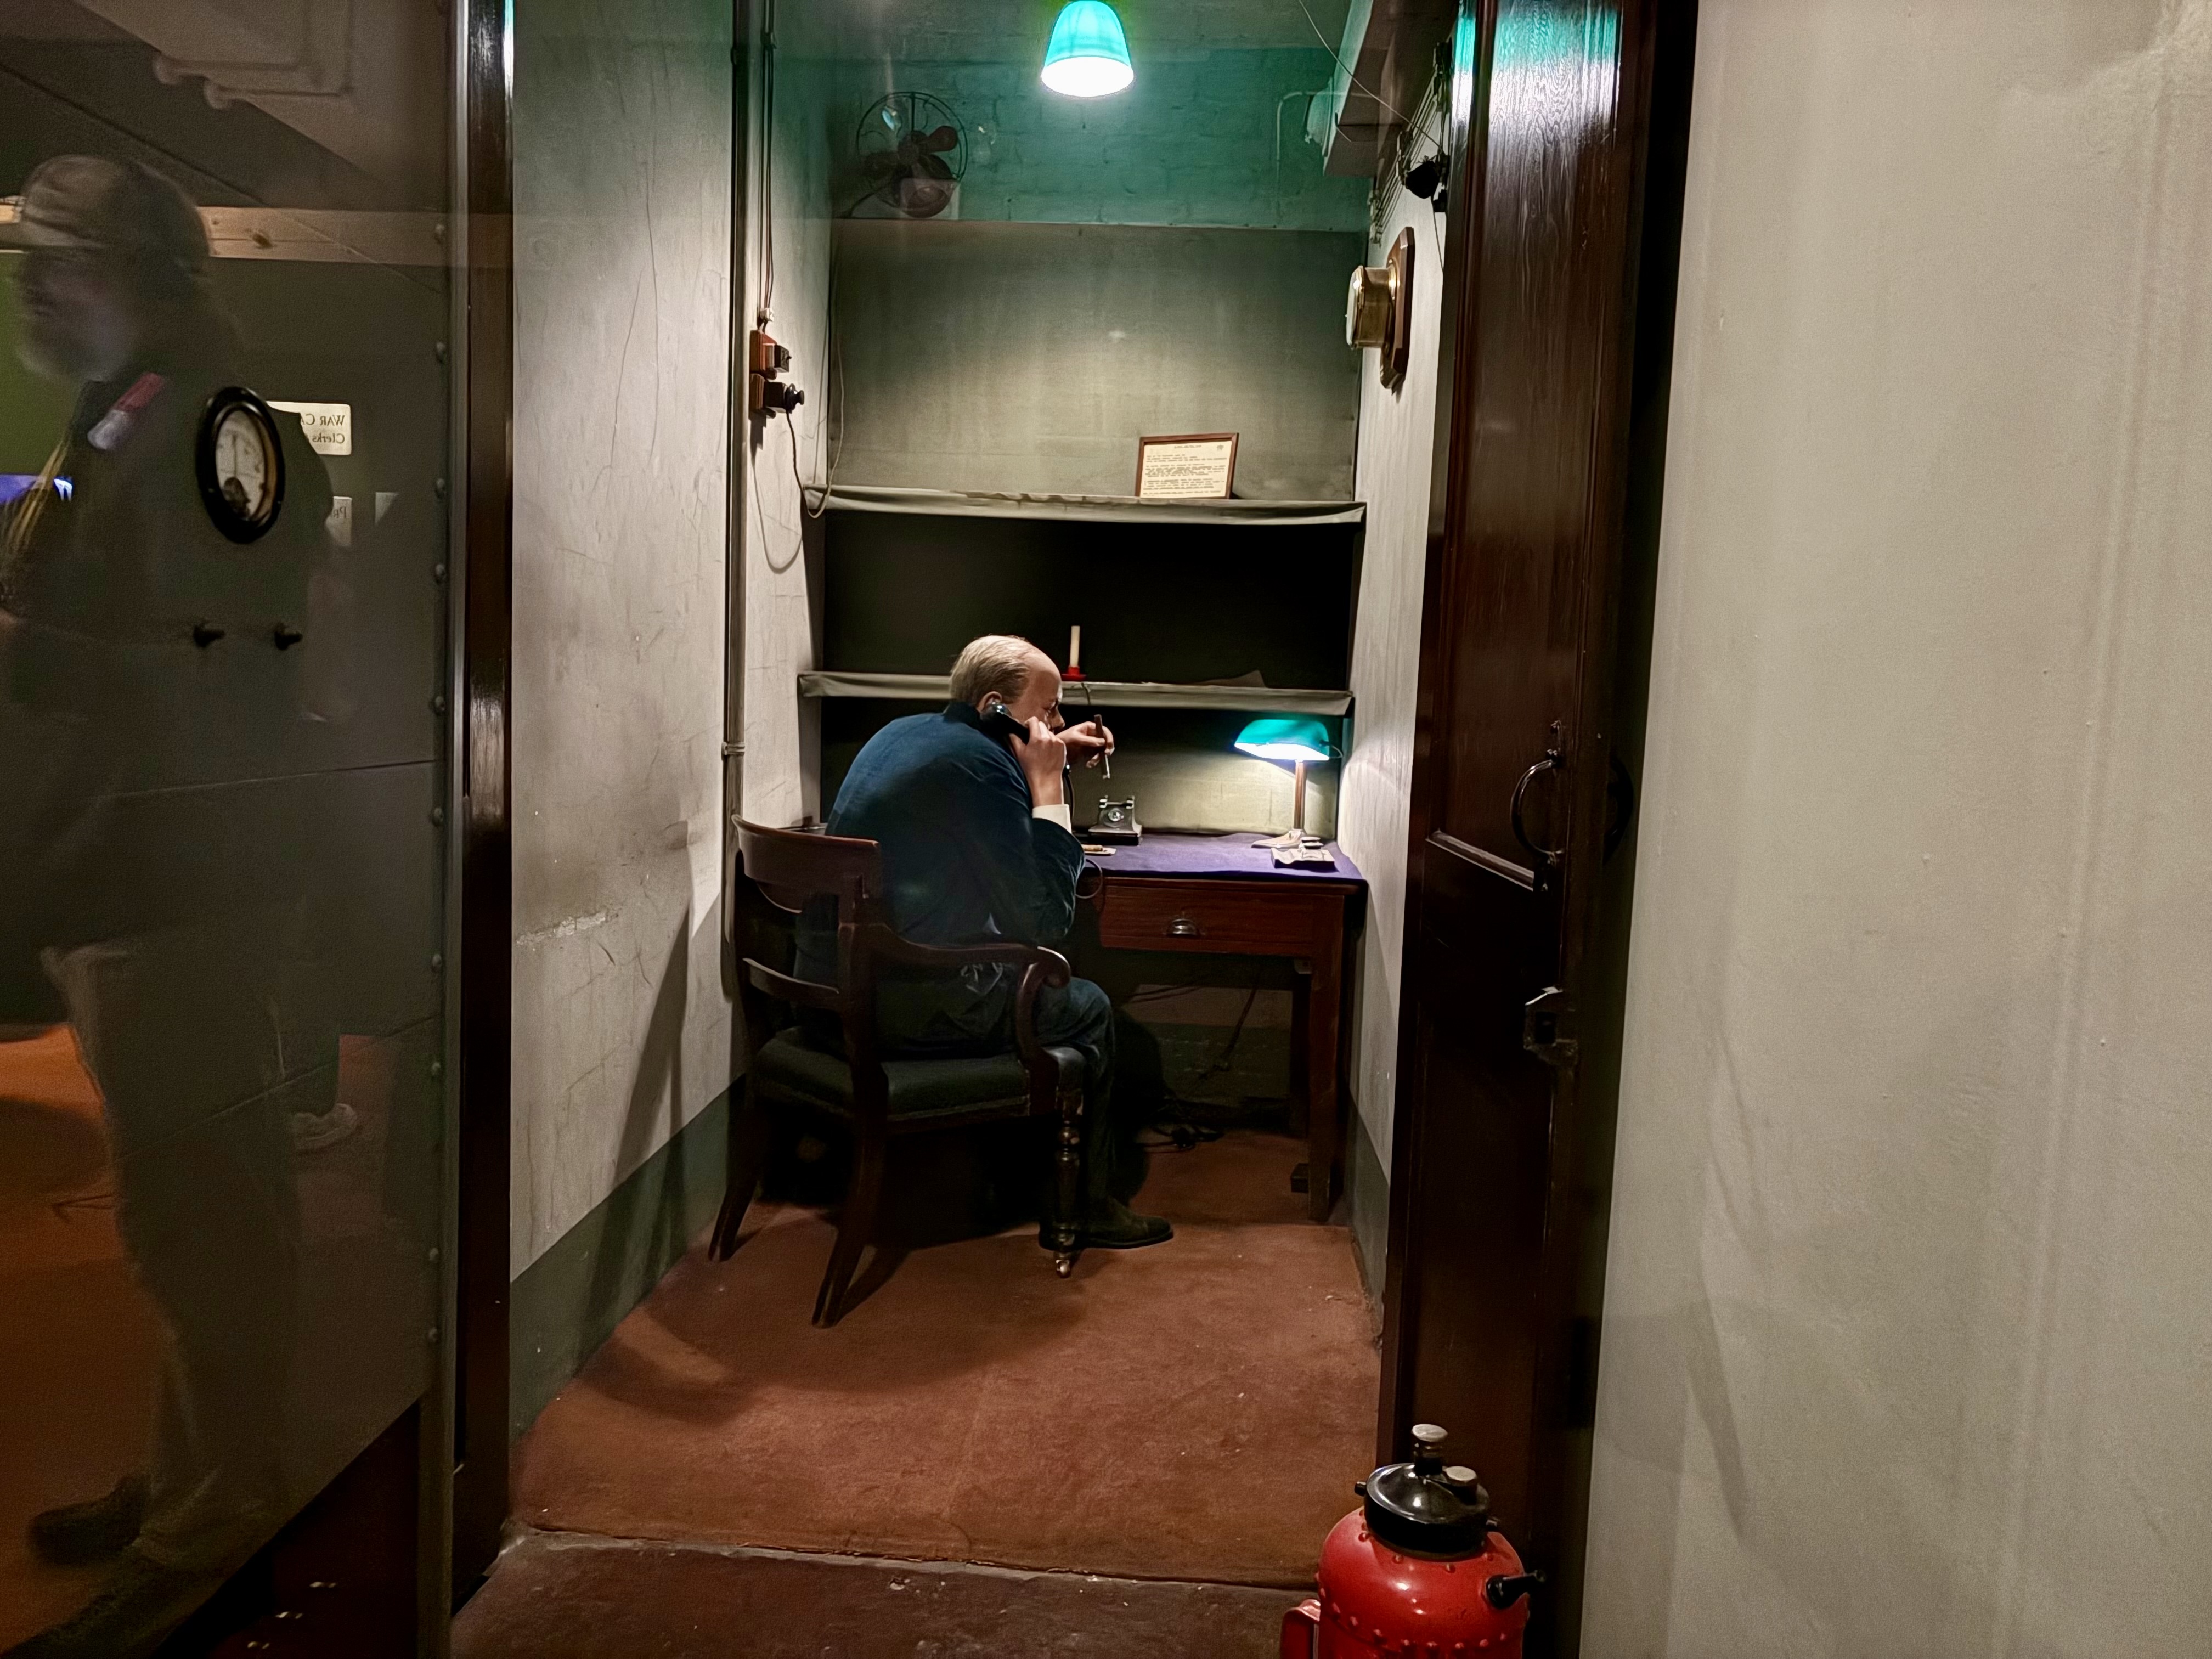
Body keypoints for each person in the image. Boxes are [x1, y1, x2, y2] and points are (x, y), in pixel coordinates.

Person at [1, 155, 332, 1659]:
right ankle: (196, 1473)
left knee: (207, 1226)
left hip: (181, 893)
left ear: (136, 270)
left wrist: (29, 650)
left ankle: (214, 1528)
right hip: (127, 880)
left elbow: (235, 671)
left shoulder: (212, 429)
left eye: (59, 260)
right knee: (178, 1217)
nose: (33, 287)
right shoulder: (127, 409)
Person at [795, 634, 1172, 1250]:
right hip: (905, 1010)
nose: (1058, 724)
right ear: (995, 705)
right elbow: (1044, 920)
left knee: (1032, 977)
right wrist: (1049, 791)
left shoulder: (905, 733)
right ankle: (1085, 1208)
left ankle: (1012, 1170)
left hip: (828, 992)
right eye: (1048, 710)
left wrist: (1051, 756)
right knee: (1091, 1008)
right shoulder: (983, 767)